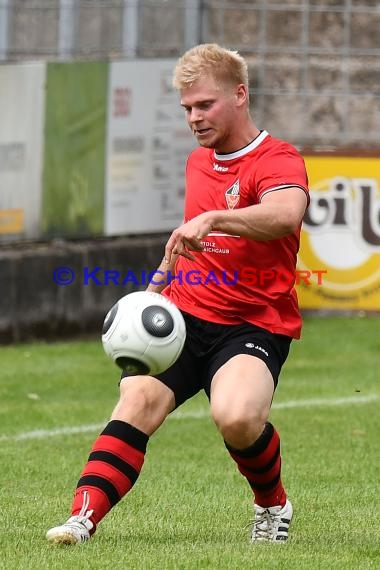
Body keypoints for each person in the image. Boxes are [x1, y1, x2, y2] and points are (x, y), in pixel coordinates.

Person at [46, 43, 309, 546]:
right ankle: (81, 518)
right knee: (136, 400)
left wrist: (215, 217)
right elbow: (191, 239)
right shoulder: (197, 162)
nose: (193, 117)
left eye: (204, 105)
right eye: (187, 107)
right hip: (187, 316)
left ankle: (273, 505)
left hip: (255, 321)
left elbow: (284, 215)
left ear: (239, 94)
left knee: (236, 418)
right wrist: (158, 286)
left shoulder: (278, 159)